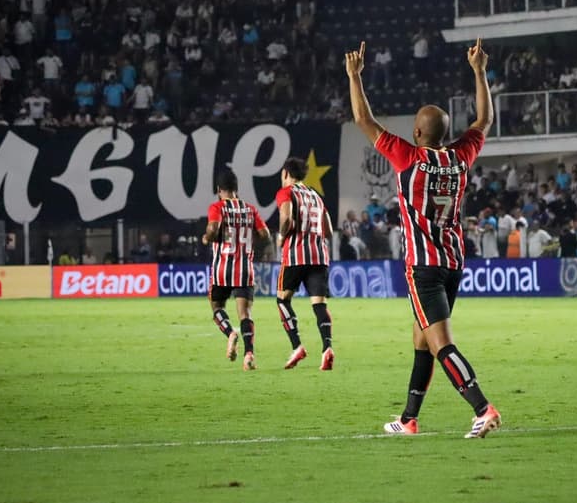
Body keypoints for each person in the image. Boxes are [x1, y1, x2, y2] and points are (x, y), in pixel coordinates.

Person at [345, 39, 501, 439]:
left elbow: (363, 119)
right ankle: (409, 418)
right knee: (422, 339)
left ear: (416, 132)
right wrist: (479, 71)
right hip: (453, 262)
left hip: (424, 266)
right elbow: (484, 120)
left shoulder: (407, 157)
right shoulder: (460, 156)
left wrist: (355, 77)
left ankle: (483, 408)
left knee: (441, 343)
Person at [202, 168, 270, 371]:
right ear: (236, 189)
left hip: (222, 269)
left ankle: (230, 333)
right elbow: (265, 234)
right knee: (245, 314)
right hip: (244, 268)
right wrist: (250, 242)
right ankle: (249, 355)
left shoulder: (217, 207)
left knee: (217, 308)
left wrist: (206, 238)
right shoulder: (250, 209)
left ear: (218, 190)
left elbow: (213, 230)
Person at [274, 157, 336, 370]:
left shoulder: (286, 192)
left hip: (295, 256)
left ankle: (297, 346)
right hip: (319, 256)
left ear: (285, 173)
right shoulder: (316, 195)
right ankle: (327, 348)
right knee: (319, 304)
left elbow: (286, 219)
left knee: (283, 300)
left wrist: (281, 236)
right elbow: (328, 230)